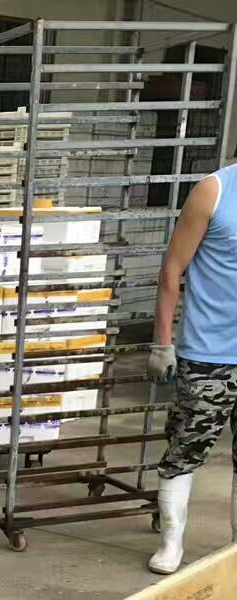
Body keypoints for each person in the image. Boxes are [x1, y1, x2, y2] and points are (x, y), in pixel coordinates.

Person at [147, 161, 237, 574]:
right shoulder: (213, 192)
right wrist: (162, 344)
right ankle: (171, 543)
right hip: (208, 354)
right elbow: (172, 269)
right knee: (185, 449)